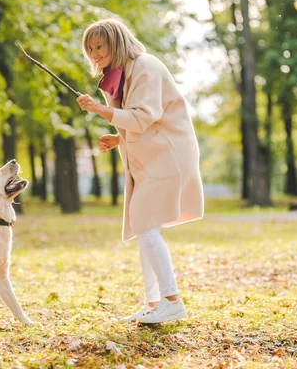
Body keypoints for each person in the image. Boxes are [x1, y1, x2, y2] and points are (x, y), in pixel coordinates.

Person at [76, 18, 204, 324]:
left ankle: (171, 300)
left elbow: (144, 117)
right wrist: (118, 137)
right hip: (150, 157)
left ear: (116, 42)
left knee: (145, 224)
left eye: (99, 46)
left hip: (166, 156)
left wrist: (100, 110)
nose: (94, 54)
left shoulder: (145, 67)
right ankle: (154, 302)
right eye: (89, 49)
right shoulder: (120, 75)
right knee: (145, 226)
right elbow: (140, 122)